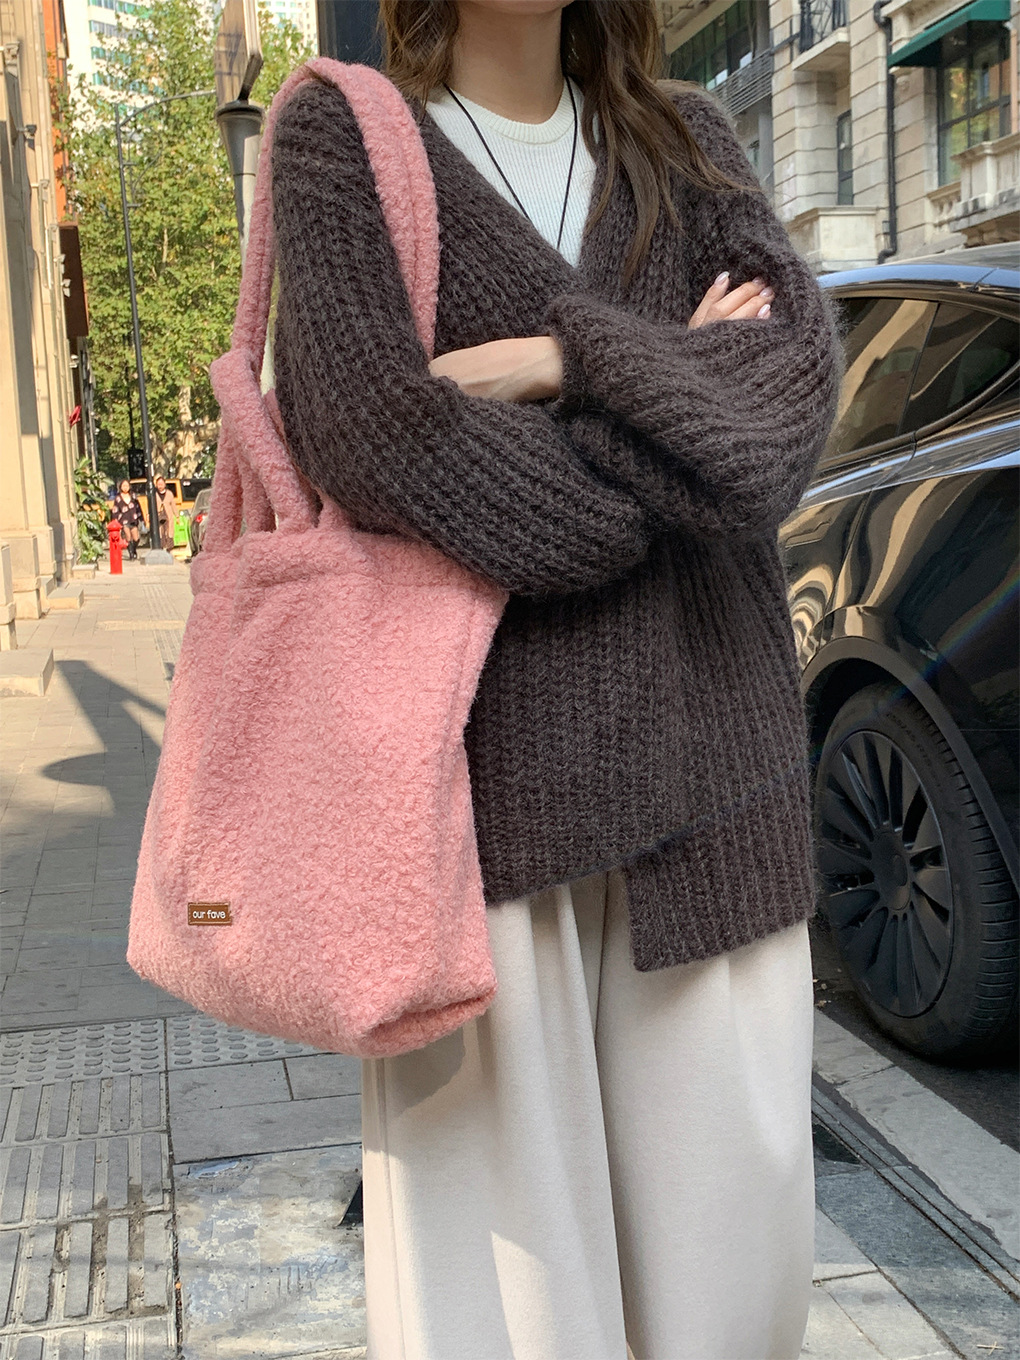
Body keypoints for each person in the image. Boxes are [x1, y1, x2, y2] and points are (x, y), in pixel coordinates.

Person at [269, 2, 842, 1357]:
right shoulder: (344, 139)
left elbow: (782, 413)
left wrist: (561, 362)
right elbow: (370, 432)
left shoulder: (687, 143)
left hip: (714, 809)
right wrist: (673, 424)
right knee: (506, 1322)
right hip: (482, 841)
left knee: (731, 1307)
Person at [109, 478, 144, 560]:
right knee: (128, 537)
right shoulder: (118, 498)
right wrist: (115, 521)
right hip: (124, 520)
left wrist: (141, 518)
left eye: (127, 486)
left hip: (133, 519)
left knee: (136, 538)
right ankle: (131, 553)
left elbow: (138, 507)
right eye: (123, 486)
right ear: (121, 487)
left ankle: (133, 550)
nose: (125, 488)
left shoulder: (133, 496)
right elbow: (115, 510)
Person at [154, 476, 178, 551]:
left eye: (161, 484)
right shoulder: (154, 494)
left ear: (164, 484)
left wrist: (177, 516)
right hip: (158, 515)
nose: (160, 486)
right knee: (160, 532)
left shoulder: (169, 494)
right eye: (158, 484)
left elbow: (173, 505)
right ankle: (161, 548)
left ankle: (169, 549)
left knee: (169, 531)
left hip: (168, 515)